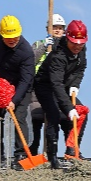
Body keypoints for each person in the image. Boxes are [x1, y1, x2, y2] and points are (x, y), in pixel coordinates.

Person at [34, 19, 88, 166]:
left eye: (80, 43)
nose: (77, 46)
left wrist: (75, 85)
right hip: (45, 85)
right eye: (74, 43)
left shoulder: (81, 48)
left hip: (65, 84)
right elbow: (56, 84)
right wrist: (69, 108)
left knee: (81, 112)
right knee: (54, 115)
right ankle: (52, 156)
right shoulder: (58, 56)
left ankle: (72, 149)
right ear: (68, 38)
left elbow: (81, 68)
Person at [0, 15, 36, 166]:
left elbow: (26, 80)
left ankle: (21, 153)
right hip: (3, 82)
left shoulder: (26, 52)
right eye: (8, 38)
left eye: (15, 37)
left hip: (22, 85)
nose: (11, 40)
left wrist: (14, 101)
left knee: (19, 117)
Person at [29, 14, 66, 157]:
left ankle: (55, 151)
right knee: (35, 120)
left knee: (58, 119)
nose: (57, 30)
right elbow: (30, 60)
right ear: (48, 29)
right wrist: (45, 46)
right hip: (38, 87)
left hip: (57, 88)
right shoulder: (39, 44)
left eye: (60, 28)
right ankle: (33, 150)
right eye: (54, 27)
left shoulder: (66, 46)